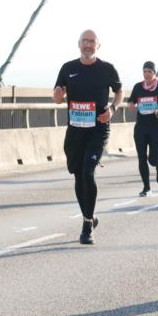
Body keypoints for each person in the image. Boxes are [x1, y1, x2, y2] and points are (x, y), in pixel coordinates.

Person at [53, 30, 123, 245]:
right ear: (79, 44)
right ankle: (90, 216)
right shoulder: (68, 68)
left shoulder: (107, 69)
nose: (88, 45)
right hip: (75, 131)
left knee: (88, 172)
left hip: (98, 129)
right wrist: (58, 94)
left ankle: (86, 226)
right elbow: (57, 96)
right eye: (85, 41)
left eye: (92, 41)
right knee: (77, 175)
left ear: (98, 45)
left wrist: (112, 108)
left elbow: (120, 92)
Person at [125, 61, 158, 196]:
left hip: (156, 127)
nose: (147, 74)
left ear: (154, 73)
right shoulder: (138, 87)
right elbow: (131, 101)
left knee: (152, 159)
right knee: (141, 157)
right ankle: (146, 188)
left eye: (149, 72)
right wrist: (130, 105)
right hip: (141, 127)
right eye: (145, 71)